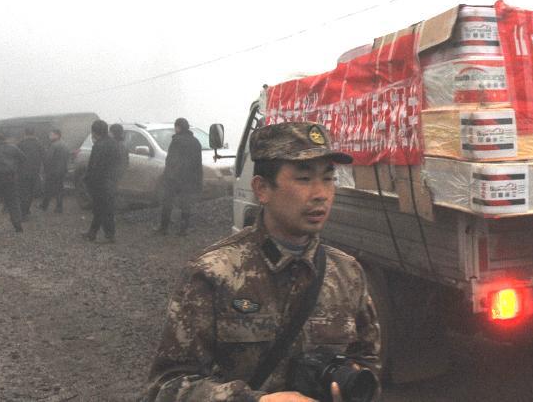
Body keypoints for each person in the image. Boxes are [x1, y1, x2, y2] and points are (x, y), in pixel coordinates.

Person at [143, 122, 381, 401]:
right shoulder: (214, 273)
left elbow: (368, 363)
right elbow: (165, 387)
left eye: (328, 179)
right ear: (262, 189)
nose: (321, 193)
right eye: (304, 179)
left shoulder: (347, 273)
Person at [155, 117, 202, 236]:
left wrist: (167, 176)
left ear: (178, 127)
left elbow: (170, 160)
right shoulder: (195, 142)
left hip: (174, 178)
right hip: (189, 179)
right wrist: (198, 180)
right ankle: (183, 229)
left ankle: (163, 228)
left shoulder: (176, 141)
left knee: (167, 202)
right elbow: (198, 163)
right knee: (186, 204)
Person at [82, 119, 120, 243]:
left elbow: (95, 166)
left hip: (100, 182)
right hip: (111, 181)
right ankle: (92, 233)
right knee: (101, 208)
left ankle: (110, 235)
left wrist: (88, 180)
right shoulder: (114, 143)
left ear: (94, 132)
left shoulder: (99, 146)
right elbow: (119, 163)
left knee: (103, 209)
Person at [17, 127, 44, 221]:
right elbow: (44, 156)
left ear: (25, 133)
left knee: (23, 192)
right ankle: (26, 210)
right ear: (34, 133)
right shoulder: (39, 144)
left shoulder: (21, 144)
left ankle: (23, 213)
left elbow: (16, 157)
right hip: (34, 172)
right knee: (30, 192)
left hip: (22, 172)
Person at [40, 129, 70, 213]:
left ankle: (44, 206)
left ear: (57, 135)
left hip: (52, 171)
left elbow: (48, 159)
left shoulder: (53, 145)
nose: (50, 136)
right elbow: (67, 158)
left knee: (47, 188)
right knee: (59, 189)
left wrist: (44, 170)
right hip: (62, 170)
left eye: (51, 134)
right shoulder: (65, 144)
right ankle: (59, 207)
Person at [109, 123, 129, 191]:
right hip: (117, 177)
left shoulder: (114, 145)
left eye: (110, 132)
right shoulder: (122, 145)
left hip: (111, 177)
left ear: (112, 133)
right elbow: (125, 163)